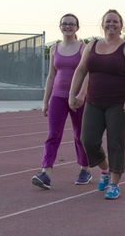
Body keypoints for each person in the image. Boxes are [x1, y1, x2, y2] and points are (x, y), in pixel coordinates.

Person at [69, 9, 125, 200]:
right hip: (93, 101)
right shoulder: (91, 45)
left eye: (115, 22)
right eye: (108, 21)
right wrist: (73, 94)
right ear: (102, 24)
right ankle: (106, 169)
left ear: (121, 25)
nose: (111, 24)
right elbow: (81, 70)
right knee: (88, 140)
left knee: (116, 142)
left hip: (119, 103)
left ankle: (114, 184)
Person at [32, 13, 91, 190]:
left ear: (77, 27)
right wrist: (45, 102)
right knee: (53, 135)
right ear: (60, 26)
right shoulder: (54, 49)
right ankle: (46, 173)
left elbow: (88, 73)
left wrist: (81, 95)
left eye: (71, 24)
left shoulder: (83, 48)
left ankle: (85, 169)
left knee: (80, 135)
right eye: (65, 24)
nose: (68, 27)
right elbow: (51, 76)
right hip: (58, 97)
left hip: (77, 97)